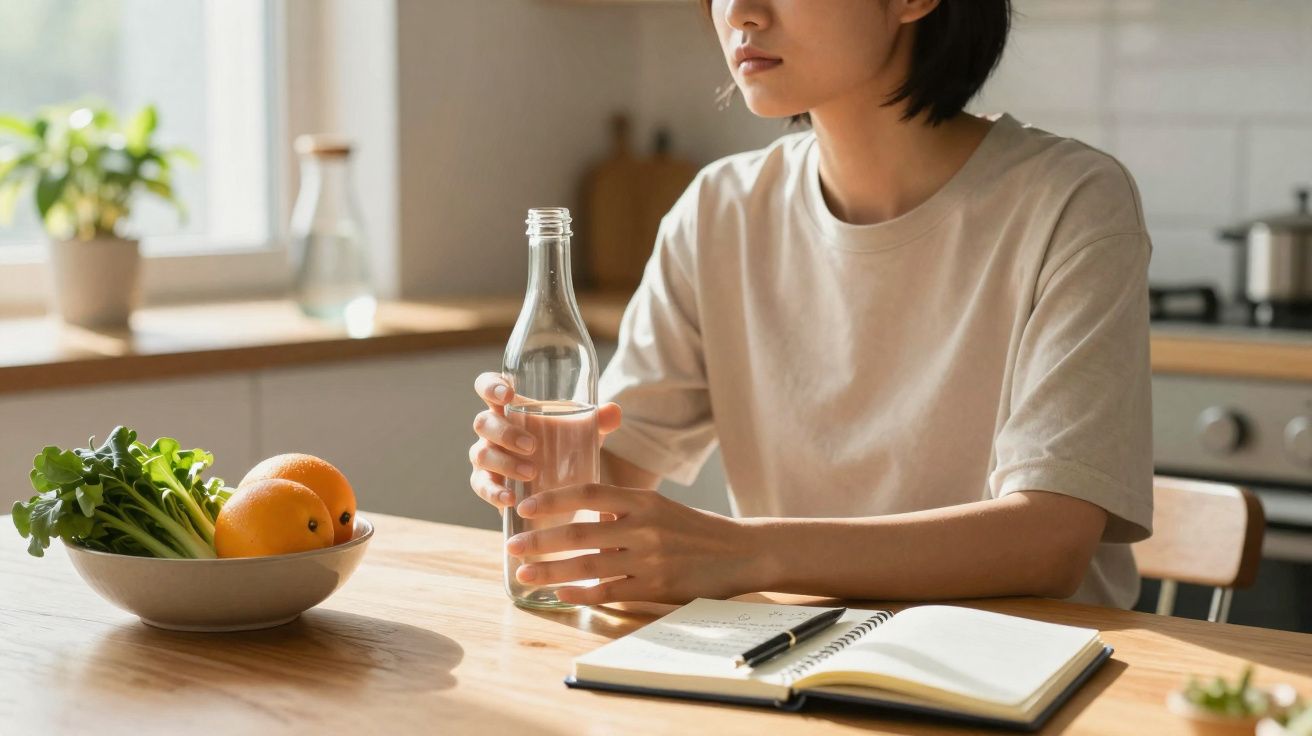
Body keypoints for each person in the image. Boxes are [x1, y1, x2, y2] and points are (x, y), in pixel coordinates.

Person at [469, 0, 1152, 609]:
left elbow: (1051, 540)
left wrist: (745, 553)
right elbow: (611, 468)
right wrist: (534, 463)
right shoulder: (719, 208)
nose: (739, 11)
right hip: (792, 663)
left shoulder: (1071, 201)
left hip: (1029, 679)